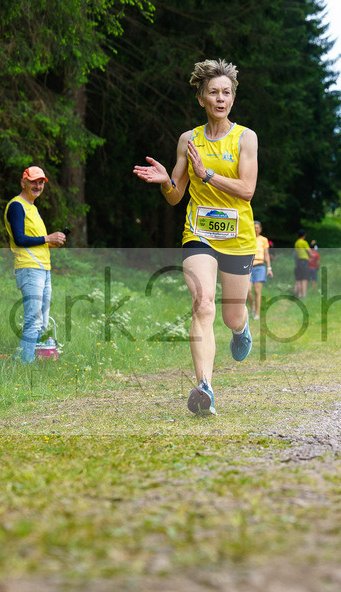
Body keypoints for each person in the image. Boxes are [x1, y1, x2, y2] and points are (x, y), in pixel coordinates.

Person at [133, 58, 257, 416]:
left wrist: (207, 175)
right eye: (213, 93)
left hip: (238, 238)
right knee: (203, 304)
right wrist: (165, 182)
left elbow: (247, 190)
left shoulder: (245, 138)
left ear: (233, 98)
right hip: (198, 234)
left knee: (231, 316)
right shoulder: (189, 140)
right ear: (201, 98)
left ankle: (241, 328)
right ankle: (205, 388)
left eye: (227, 93)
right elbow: (176, 196)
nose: (221, 99)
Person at [4, 166, 66, 363]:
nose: (38, 186)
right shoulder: (17, 206)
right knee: (33, 320)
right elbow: (20, 239)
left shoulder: (33, 208)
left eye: (41, 182)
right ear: (23, 182)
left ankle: (21, 359)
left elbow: (35, 240)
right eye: (33, 182)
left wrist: (51, 243)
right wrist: (47, 238)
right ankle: (25, 364)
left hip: (43, 269)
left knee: (42, 323)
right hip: (29, 268)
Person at [247, 220, 272, 320]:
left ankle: (257, 313)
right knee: (247, 290)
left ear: (260, 229)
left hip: (260, 266)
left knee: (257, 291)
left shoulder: (264, 240)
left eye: (257, 227)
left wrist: (269, 268)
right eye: (254, 227)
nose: (255, 229)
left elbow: (266, 254)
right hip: (249, 267)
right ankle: (252, 307)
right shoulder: (248, 238)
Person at [293, 228, 310, 298]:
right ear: (304, 235)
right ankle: (304, 295)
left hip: (298, 261)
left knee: (299, 279)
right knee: (304, 279)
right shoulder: (304, 242)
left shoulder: (296, 243)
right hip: (304, 261)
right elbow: (309, 252)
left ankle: (299, 295)